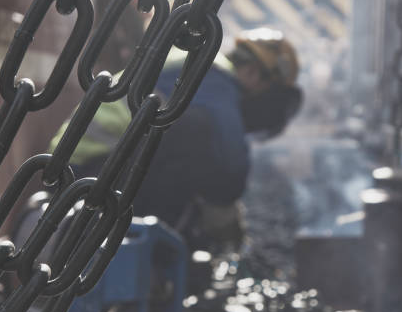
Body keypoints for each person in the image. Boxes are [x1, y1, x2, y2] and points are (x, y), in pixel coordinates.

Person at [49, 27, 302, 250]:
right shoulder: (215, 81)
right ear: (253, 72)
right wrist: (224, 209)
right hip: (87, 174)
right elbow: (230, 158)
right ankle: (154, 259)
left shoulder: (199, 65)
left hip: (81, 166)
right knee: (196, 134)